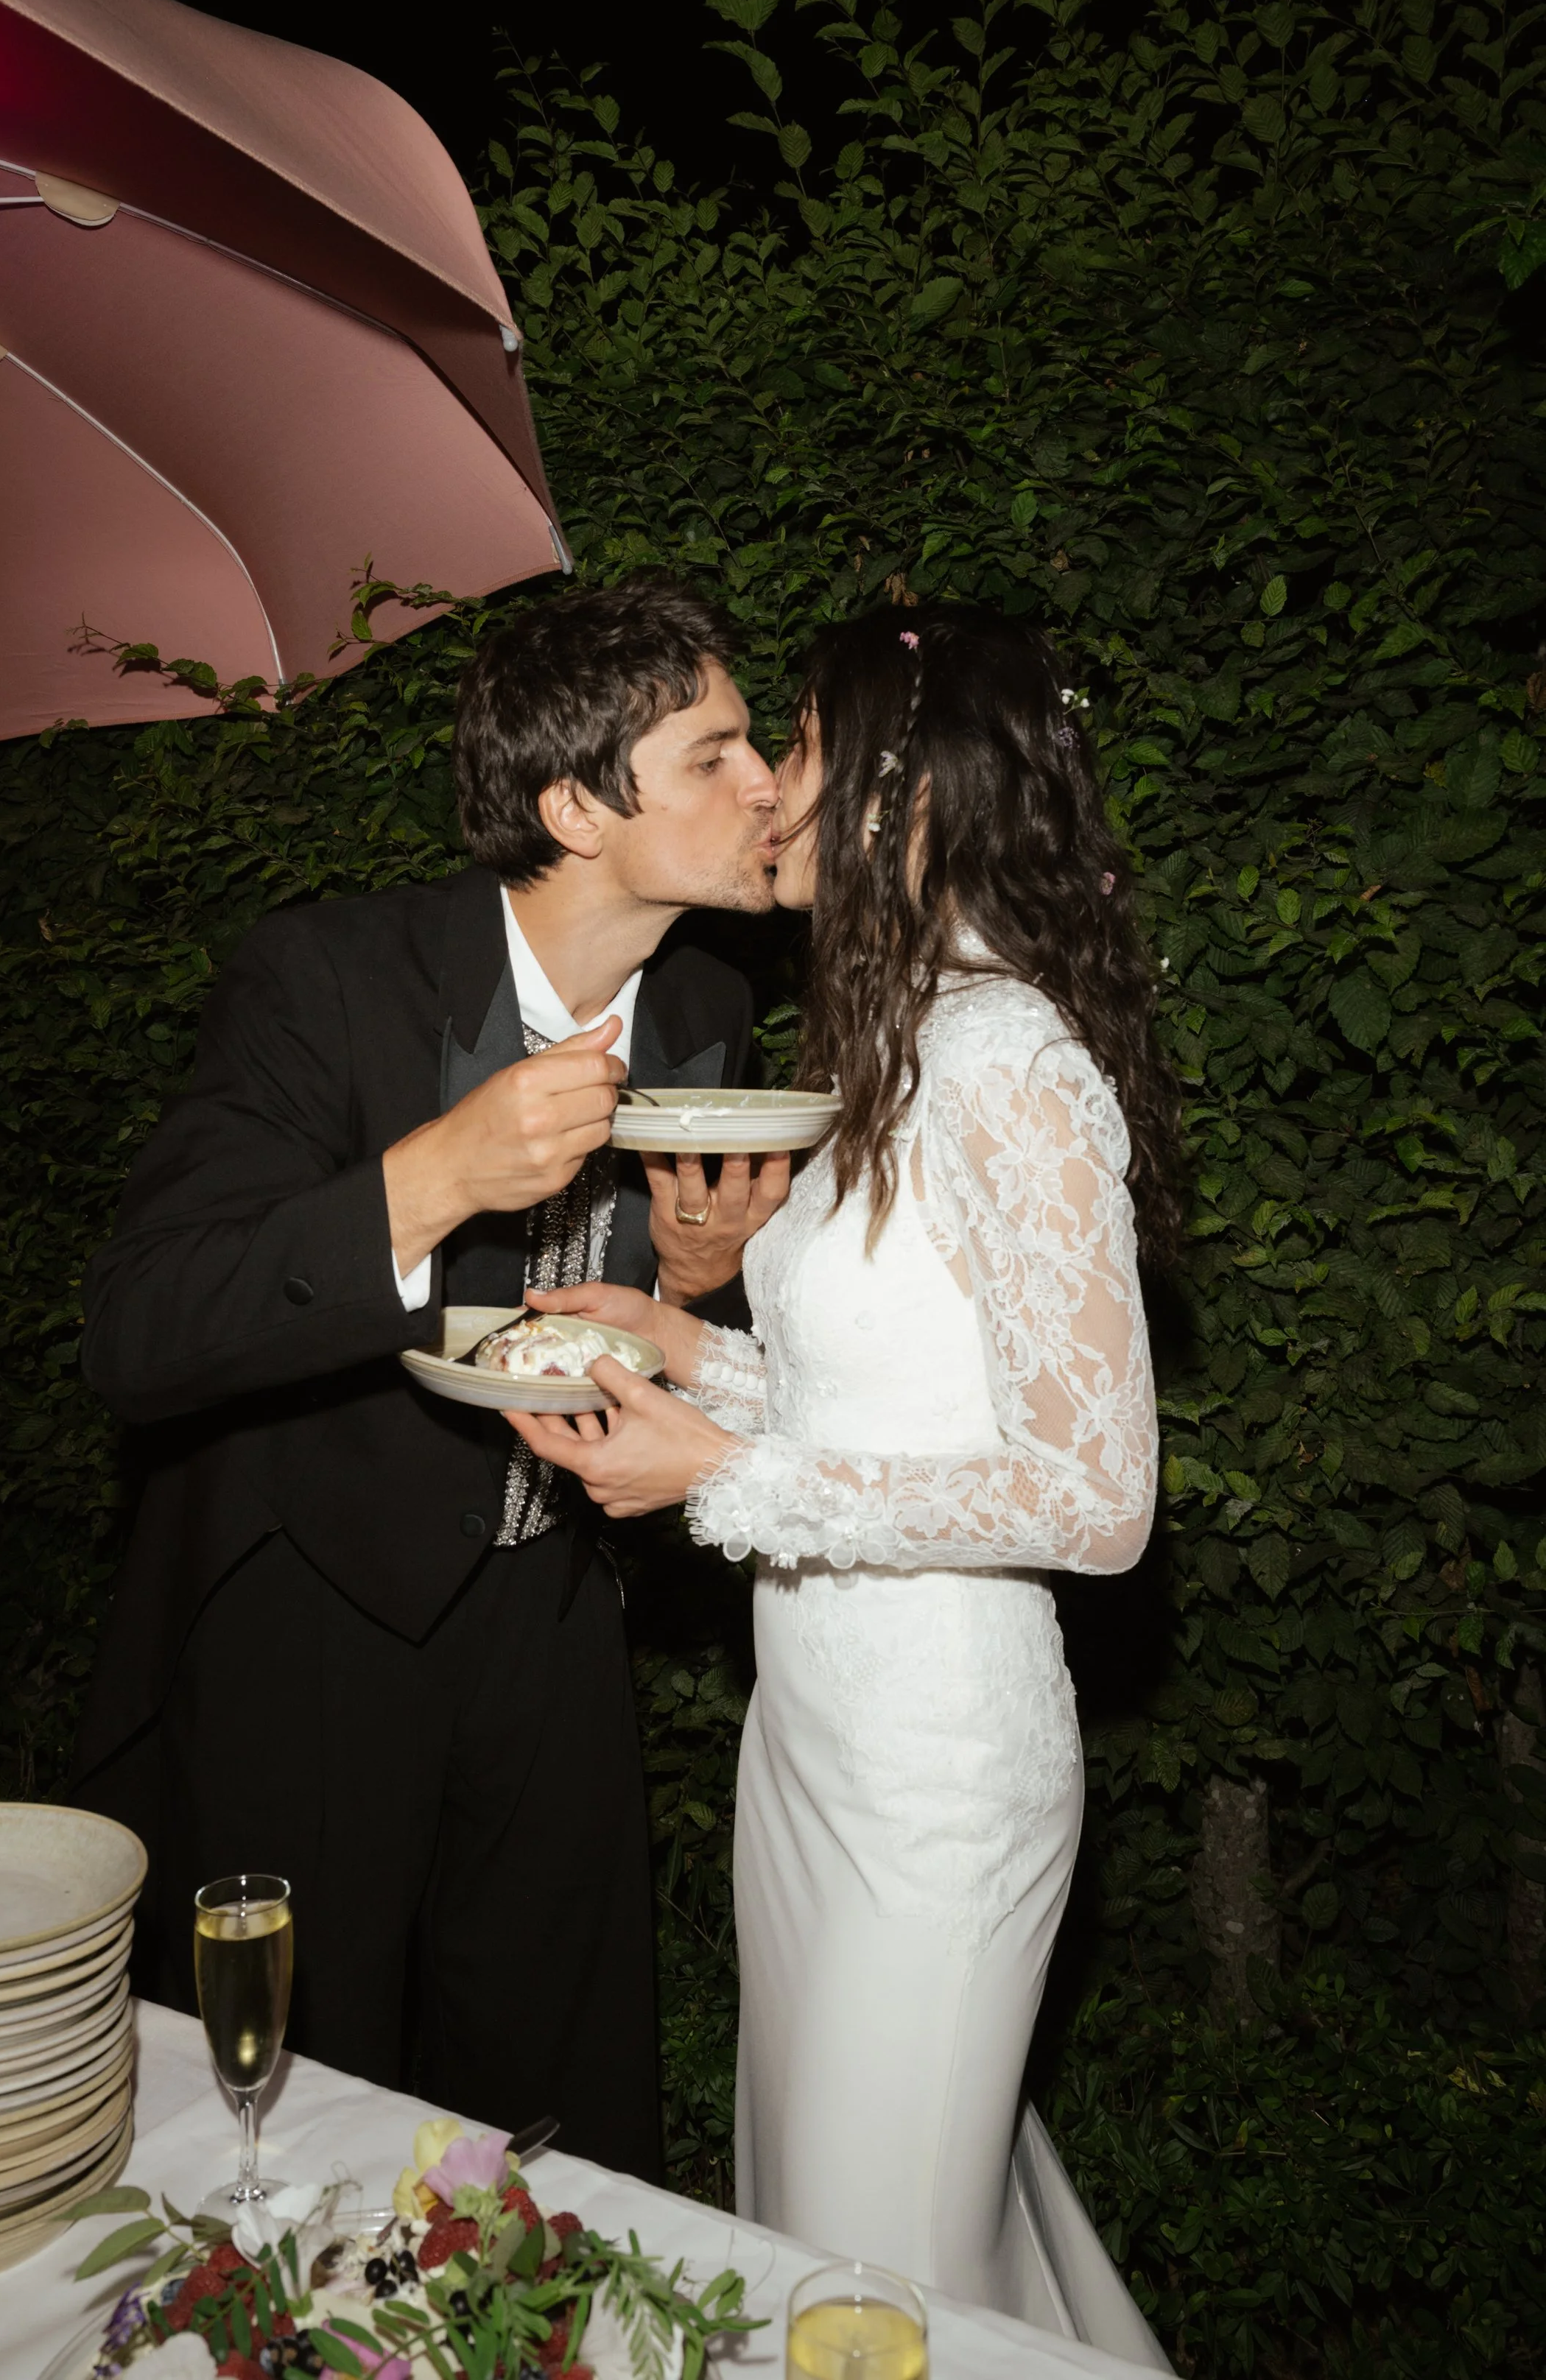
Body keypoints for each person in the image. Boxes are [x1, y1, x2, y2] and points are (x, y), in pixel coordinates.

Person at [510, 604, 1178, 2365]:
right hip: (807, 1741)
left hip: (938, 1783)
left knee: (872, 2291)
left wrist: (720, 1469)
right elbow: (867, 1401)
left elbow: (1093, 1494)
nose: (768, 793)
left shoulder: (1009, 1061)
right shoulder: (890, 1045)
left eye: (794, 745)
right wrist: (668, 1338)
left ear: (900, 794)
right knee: (833, 2235)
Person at [71, 575, 788, 2180]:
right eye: (715, 755)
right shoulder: (324, 979)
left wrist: (690, 1284)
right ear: (571, 809)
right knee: (304, 2110)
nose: (768, 785)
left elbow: (646, 1322)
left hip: (551, 1611)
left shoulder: (706, 1005)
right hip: (316, 1618)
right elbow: (139, 1329)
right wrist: (427, 1180)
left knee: (553, 2105)